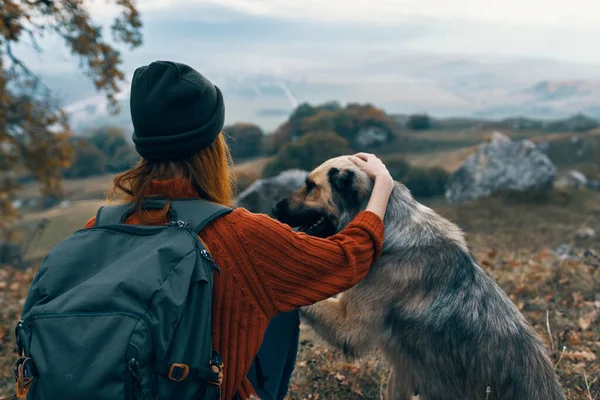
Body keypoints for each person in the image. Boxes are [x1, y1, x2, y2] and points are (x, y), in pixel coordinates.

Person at [83, 60, 394, 400]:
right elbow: (347, 258)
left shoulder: (94, 230)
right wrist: (381, 186)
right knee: (282, 303)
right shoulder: (240, 236)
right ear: (213, 145)